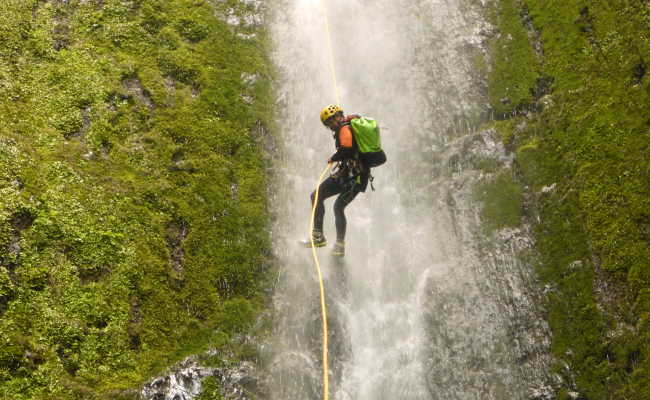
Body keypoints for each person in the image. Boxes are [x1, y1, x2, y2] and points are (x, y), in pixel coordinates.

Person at [302, 105, 370, 257]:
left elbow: (347, 149)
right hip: (351, 176)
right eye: (328, 123)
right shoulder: (348, 127)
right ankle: (324, 238)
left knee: (333, 204)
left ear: (339, 116)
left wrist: (334, 158)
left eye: (332, 120)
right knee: (322, 198)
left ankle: (330, 242)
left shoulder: (345, 128)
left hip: (354, 177)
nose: (331, 125)